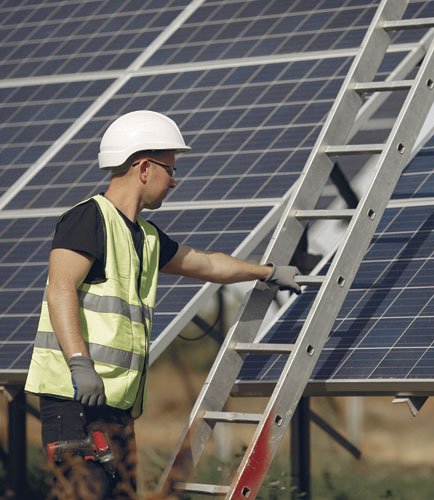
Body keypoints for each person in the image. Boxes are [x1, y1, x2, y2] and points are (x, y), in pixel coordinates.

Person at [24, 110, 301, 499]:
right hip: (75, 401)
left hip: (114, 405)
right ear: (142, 167)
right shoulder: (88, 219)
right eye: (169, 170)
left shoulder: (147, 237)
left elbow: (207, 263)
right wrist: (78, 363)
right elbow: (60, 289)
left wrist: (266, 271)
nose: (174, 180)